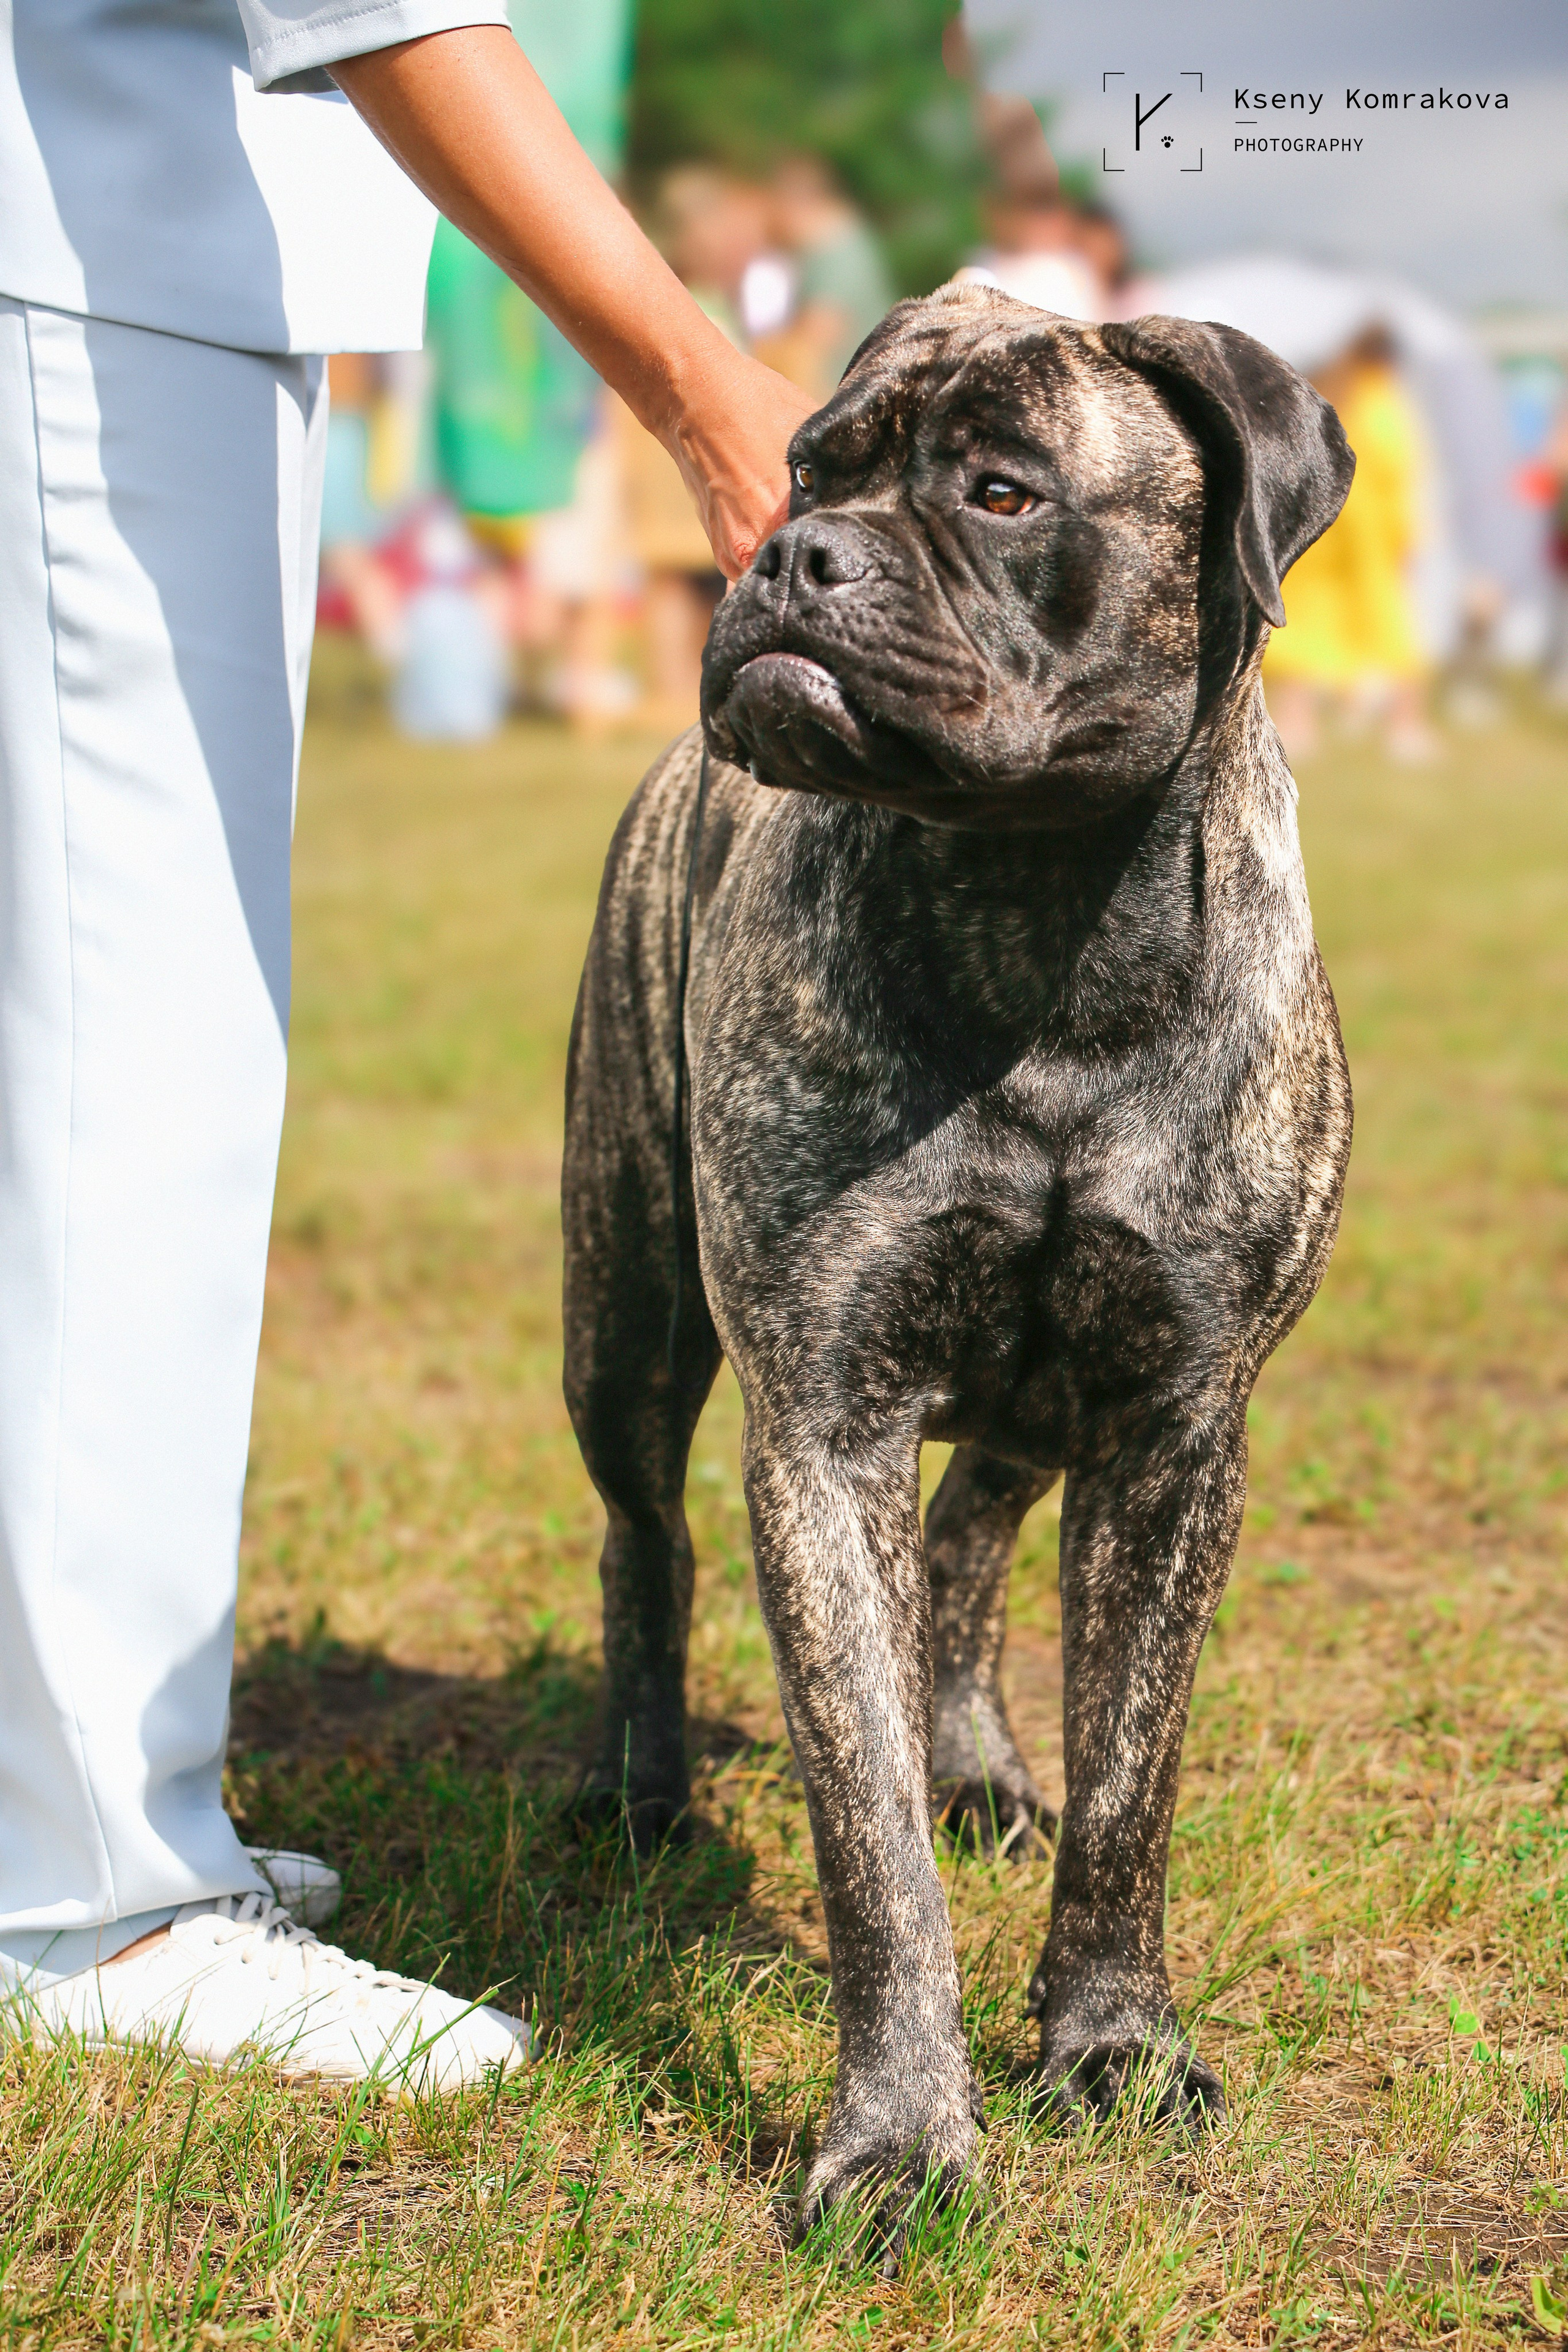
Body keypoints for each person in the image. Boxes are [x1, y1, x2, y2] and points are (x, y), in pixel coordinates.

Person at [0, 8, 813, 2087]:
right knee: (128, 1061)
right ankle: (91, 1897)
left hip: (115, 261)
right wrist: (697, 377)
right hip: (86, 267)